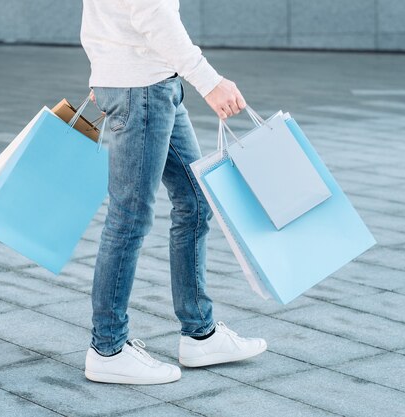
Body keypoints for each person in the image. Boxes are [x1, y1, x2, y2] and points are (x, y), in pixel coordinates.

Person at [80, 0, 267, 385]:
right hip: (142, 88)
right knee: (128, 217)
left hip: (152, 83)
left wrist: (102, 71)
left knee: (195, 201)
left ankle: (200, 334)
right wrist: (210, 81)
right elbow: (153, 13)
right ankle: (107, 348)